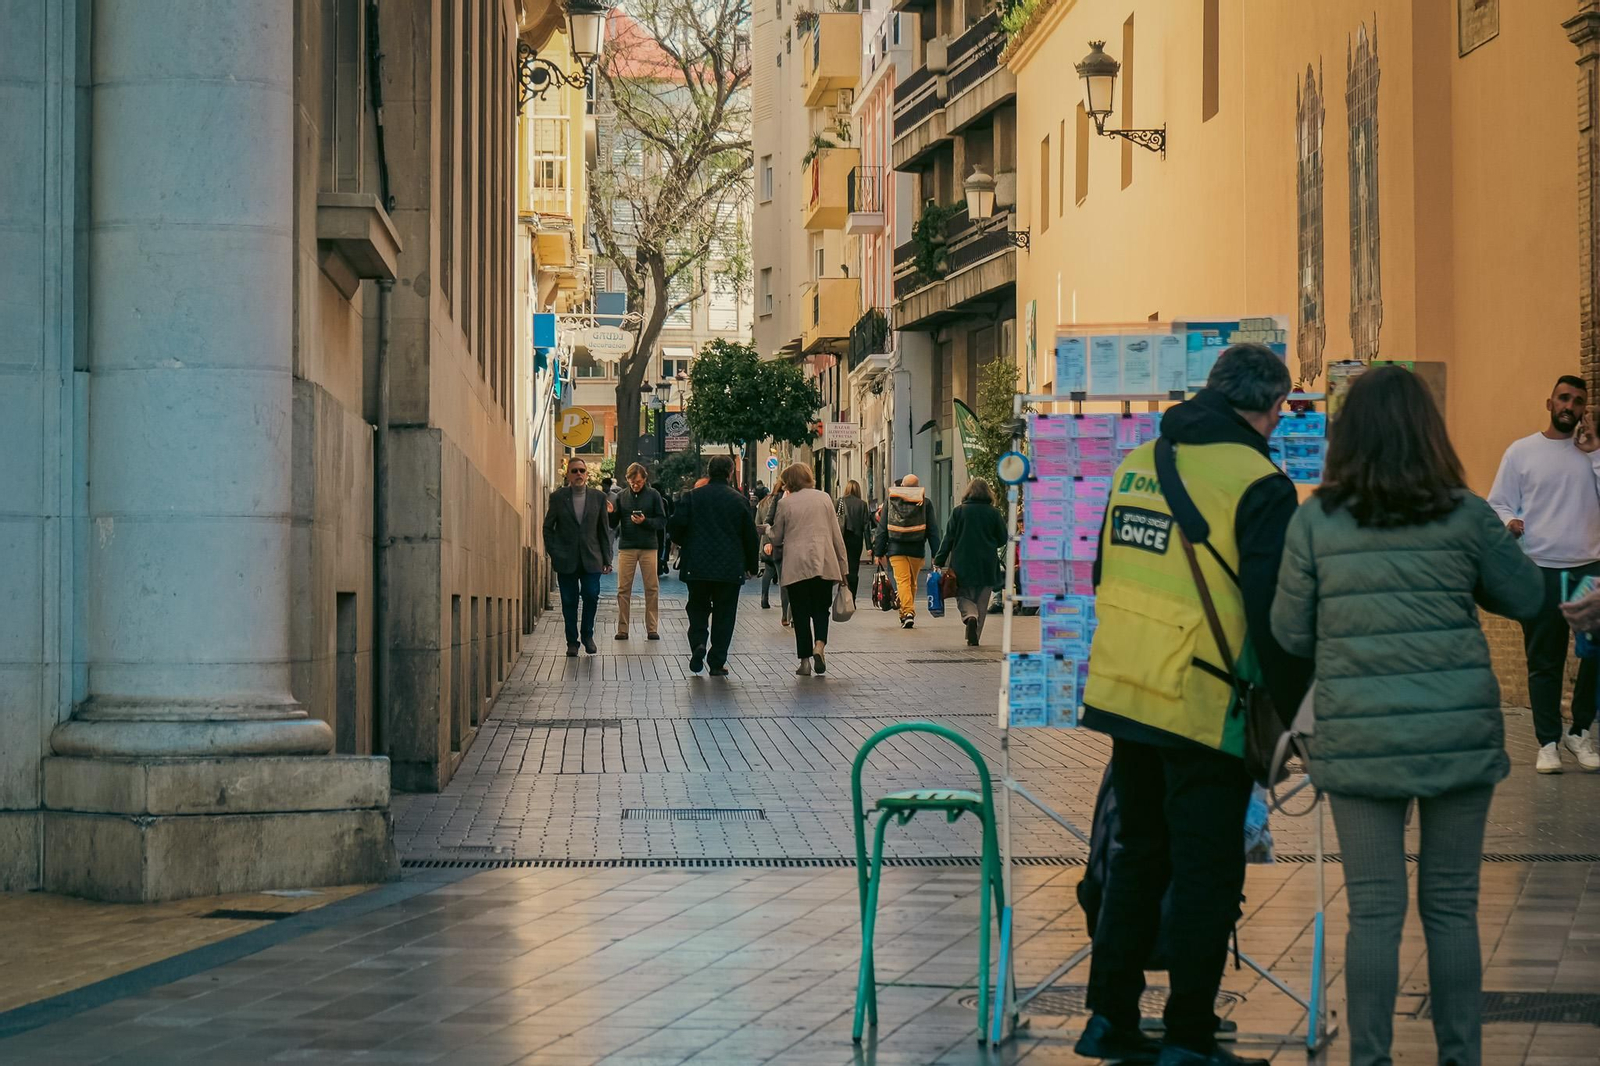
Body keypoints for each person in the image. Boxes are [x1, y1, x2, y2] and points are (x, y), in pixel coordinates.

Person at [1273, 366, 1542, 1066]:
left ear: (1346, 436)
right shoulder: (1465, 513)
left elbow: (1290, 635)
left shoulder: (1315, 521)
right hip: (1456, 735)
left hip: (1358, 738)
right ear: (1429, 431)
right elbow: (1526, 598)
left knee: (1374, 912)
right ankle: (1460, 1058)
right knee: (1452, 908)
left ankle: (1372, 1060)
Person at [1076, 344, 1311, 1066]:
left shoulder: (1139, 463)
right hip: (1204, 702)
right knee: (1209, 872)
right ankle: (1188, 1033)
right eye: (1280, 410)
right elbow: (1277, 615)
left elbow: (1101, 570)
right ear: (1266, 407)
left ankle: (1108, 1019)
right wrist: (1297, 717)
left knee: (1137, 855)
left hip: (1124, 691)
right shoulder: (1260, 484)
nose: (1280, 422)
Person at [1486, 374, 1600, 772]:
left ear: (1585, 409)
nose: (1570, 406)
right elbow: (1498, 502)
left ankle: (1580, 732)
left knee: (1595, 655)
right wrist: (1511, 520)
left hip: (1589, 567)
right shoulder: (1521, 452)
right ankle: (1548, 742)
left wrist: (1596, 453)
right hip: (1539, 569)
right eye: (1563, 398)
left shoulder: (1593, 453)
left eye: (1578, 401)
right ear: (1549, 404)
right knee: (1544, 660)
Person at [668, 455, 760, 676]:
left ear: (709, 472)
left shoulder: (692, 497)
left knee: (697, 608)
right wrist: (751, 565)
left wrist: (686, 543)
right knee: (724, 614)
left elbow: (675, 526)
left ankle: (698, 642)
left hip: (697, 565)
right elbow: (750, 536)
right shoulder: (738, 501)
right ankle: (717, 661)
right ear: (730, 472)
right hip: (729, 566)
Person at [767, 464, 850, 676]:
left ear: (790, 481)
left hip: (796, 566)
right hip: (823, 561)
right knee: (821, 609)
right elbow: (836, 535)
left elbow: (776, 537)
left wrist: (767, 529)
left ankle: (804, 662)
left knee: (801, 613)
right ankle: (819, 646)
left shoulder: (785, 504)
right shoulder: (824, 498)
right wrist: (843, 568)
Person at [542, 458, 613, 657]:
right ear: (568, 475)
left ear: (587, 475)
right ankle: (572, 642)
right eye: (575, 471)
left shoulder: (598, 498)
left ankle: (587, 636)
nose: (579, 474)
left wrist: (607, 559)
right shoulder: (557, 497)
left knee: (591, 596)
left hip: (592, 558)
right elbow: (548, 527)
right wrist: (553, 552)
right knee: (569, 601)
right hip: (566, 559)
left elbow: (603, 530)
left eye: (582, 470)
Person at [934, 478, 1007, 646]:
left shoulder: (959, 511)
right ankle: (975, 638)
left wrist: (939, 560)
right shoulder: (994, 513)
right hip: (986, 563)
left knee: (962, 595)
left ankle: (969, 617)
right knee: (982, 601)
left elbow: (949, 538)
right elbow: (1003, 538)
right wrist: (990, 542)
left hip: (962, 561)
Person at [873, 474, 940, 629]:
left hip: (896, 549)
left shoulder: (891, 501)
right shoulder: (925, 503)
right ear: (917, 487)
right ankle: (907, 612)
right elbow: (933, 531)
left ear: (902, 486)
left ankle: (907, 613)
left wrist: (879, 552)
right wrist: (937, 555)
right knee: (911, 583)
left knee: (903, 582)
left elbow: (882, 528)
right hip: (917, 549)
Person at [609, 463, 667, 641]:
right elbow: (613, 524)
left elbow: (662, 520)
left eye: (639, 482)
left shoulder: (653, 495)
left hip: (649, 545)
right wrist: (610, 513)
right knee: (623, 589)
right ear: (627, 480)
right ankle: (622, 629)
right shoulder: (621, 497)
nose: (636, 485)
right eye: (633, 482)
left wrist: (645, 521)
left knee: (652, 588)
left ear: (645, 478)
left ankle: (652, 628)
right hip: (627, 546)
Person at [756, 485, 790, 622]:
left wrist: (764, 543)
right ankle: (786, 614)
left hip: (768, 544)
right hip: (777, 544)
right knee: (783, 579)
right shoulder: (776, 501)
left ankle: (764, 597)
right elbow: (768, 522)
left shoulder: (762, 503)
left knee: (768, 571)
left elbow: (758, 523)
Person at [836, 480, 871, 601]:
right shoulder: (862, 504)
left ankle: (842, 595)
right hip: (856, 540)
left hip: (842, 539)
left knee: (842, 567)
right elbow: (866, 526)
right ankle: (852, 598)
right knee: (854, 569)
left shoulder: (840, 501)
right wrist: (869, 547)